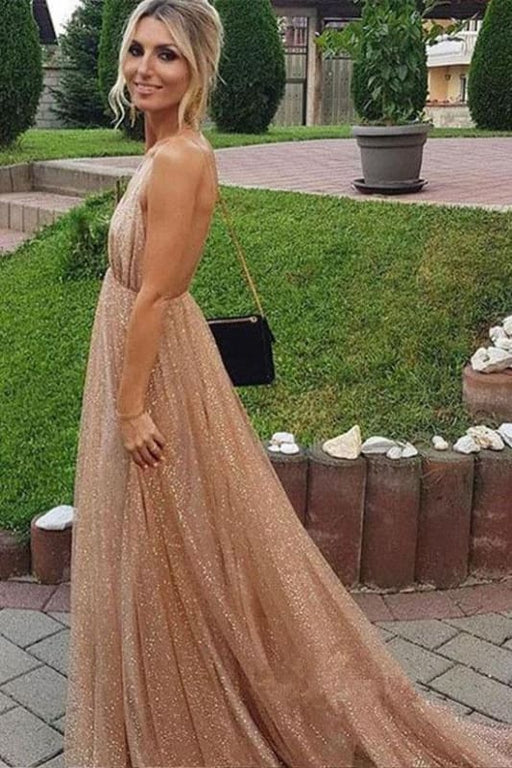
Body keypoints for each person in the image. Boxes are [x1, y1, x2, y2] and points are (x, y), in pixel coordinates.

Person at [63, 1, 512, 766]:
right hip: (142, 350)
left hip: (151, 363)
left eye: (166, 54)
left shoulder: (179, 158)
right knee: (162, 531)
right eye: (137, 49)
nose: (143, 67)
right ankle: (166, 686)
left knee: (167, 527)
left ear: (197, 67)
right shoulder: (164, 147)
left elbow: (157, 293)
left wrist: (131, 406)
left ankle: (190, 702)